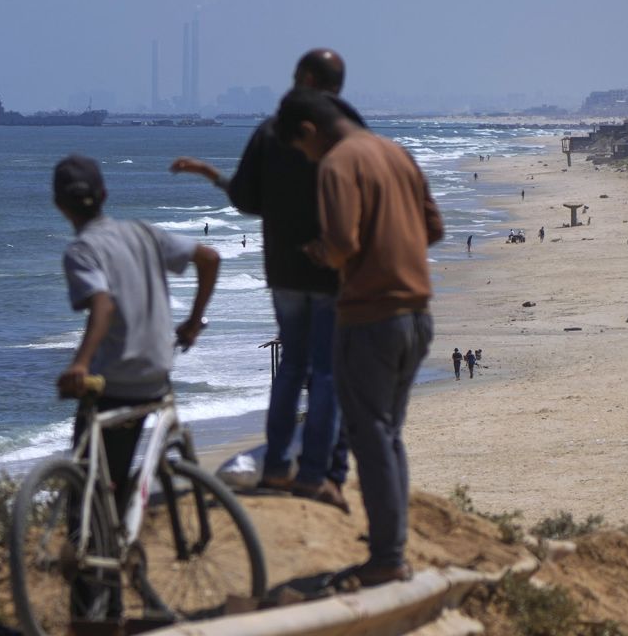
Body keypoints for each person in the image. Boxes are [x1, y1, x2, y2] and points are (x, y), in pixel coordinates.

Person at [168, 49, 362, 511]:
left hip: (285, 272)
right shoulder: (347, 131)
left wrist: (213, 175)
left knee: (293, 367)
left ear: (309, 78)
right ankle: (315, 474)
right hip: (332, 271)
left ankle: (276, 464)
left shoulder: (271, 132)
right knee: (326, 371)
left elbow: (245, 199)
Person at [279, 87, 444, 588]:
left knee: (370, 436)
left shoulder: (336, 165)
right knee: (388, 433)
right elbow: (433, 228)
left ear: (309, 133)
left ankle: (388, 557)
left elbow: (343, 243)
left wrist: (319, 252)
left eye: (301, 149)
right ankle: (389, 547)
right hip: (417, 312)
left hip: (371, 316)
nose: (307, 158)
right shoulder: (396, 153)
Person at [54, 154, 220, 511]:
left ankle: (87, 547)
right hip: (158, 373)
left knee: (88, 489)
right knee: (119, 466)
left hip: (115, 384)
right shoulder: (143, 232)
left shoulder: (81, 251)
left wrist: (80, 363)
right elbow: (209, 258)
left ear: (59, 205)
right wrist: (193, 322)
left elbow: (102, 304)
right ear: (105, 193)